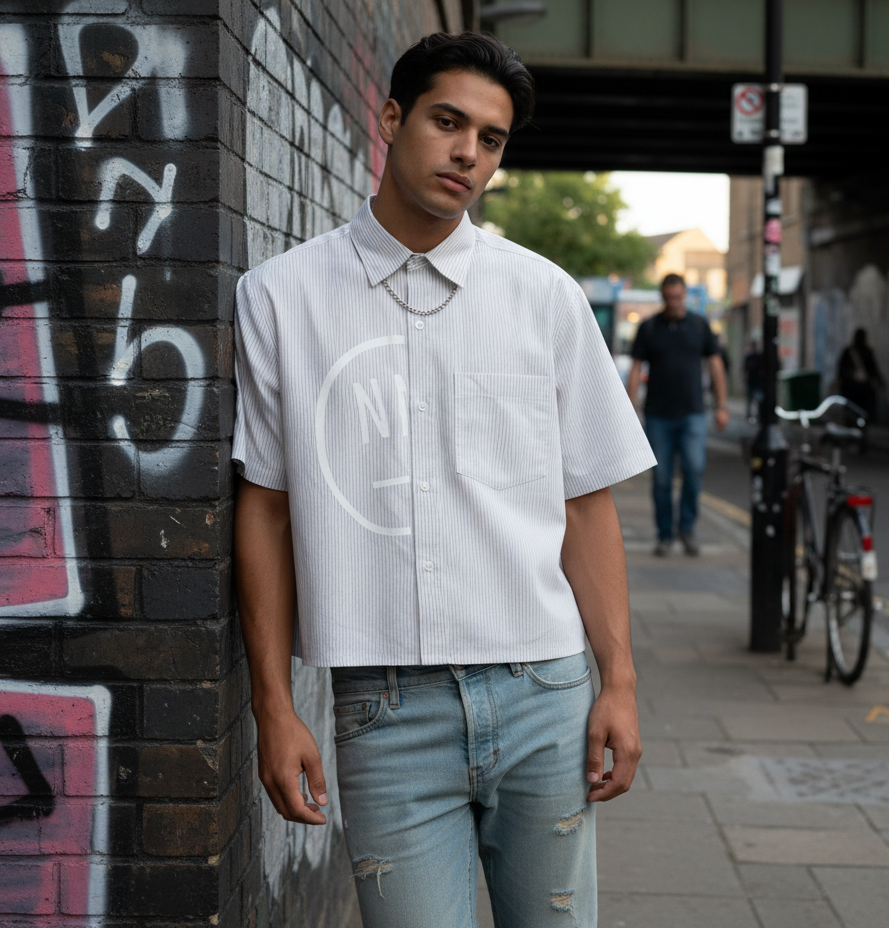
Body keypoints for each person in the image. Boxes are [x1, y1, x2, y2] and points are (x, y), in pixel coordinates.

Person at [232, 31, 655, 928]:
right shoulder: (280, 298)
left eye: (491, 138)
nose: (467, 152)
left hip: (544, 692)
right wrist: (273, 707)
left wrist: (616, 682)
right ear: (392, 118)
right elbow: (264, 511)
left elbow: (585, 503)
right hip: (386, 711)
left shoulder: (542, 298)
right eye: (447, 121)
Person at [626, 274, 729, 556]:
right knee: (661, 478)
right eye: (669, 297)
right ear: (662, 297)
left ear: (685, 296)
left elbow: (716, 364)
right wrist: (629, 408)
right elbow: (636, 368)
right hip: (658, 415)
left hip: (693, 413)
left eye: (678, 297)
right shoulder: (649, 328)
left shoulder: (699, 325)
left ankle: (687, 527)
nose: (674, 302)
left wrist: (722, 405)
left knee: (694, 469)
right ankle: (664, 534)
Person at [837, 328, 885, 447]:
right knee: (855, 414)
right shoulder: (853, 352)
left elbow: (873, 369)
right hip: (857, 389)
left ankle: (857, 439)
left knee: (858, 414)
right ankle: (852, 438)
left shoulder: (862, 352)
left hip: (856, 390)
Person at [743, 338, 764, 422]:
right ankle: (750, 414)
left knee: (757, 398)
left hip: (756, 380)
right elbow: (745, 367)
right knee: (750, 399)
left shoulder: (758, 356)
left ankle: (756, 414)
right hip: (752, 380)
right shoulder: (750, 356)